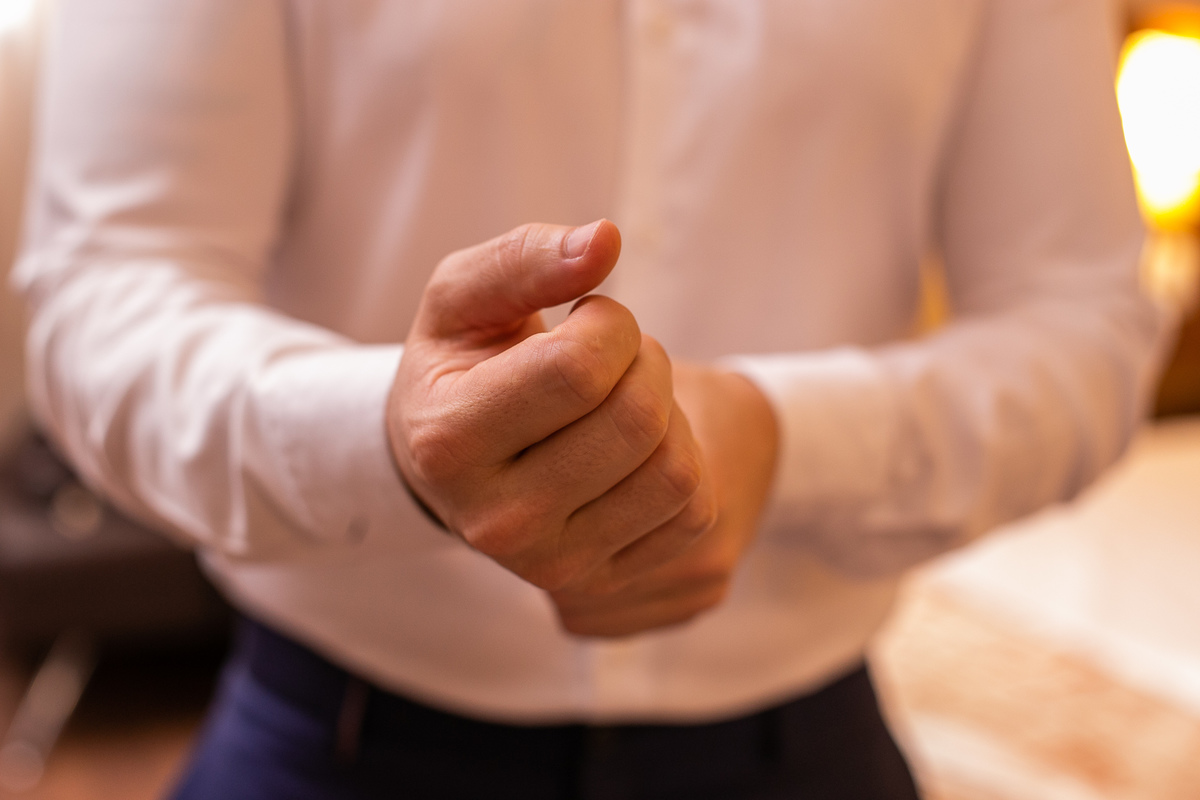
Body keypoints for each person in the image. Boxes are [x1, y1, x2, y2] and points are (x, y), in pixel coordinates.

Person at [13, 0, 1164, 797]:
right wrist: (392, 433)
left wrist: (783, 437)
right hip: (334, 738)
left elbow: (1087, 324)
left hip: (806, 747)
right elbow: (103, 288)